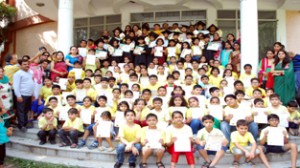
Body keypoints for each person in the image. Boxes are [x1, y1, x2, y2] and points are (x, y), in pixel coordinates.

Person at [13, 59, 35, 132]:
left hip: (29, 95)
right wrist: (18, 96)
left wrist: (33, 94)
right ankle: (21, 125)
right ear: (20, 65)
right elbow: (16, 86)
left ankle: (25, 124)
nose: (27, 65)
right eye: (24, 64)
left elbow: (32, 83)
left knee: (26, 110)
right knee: (21, 111)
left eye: (27, 64)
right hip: (22, 95)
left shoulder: (31, 72)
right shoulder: (18, 74)